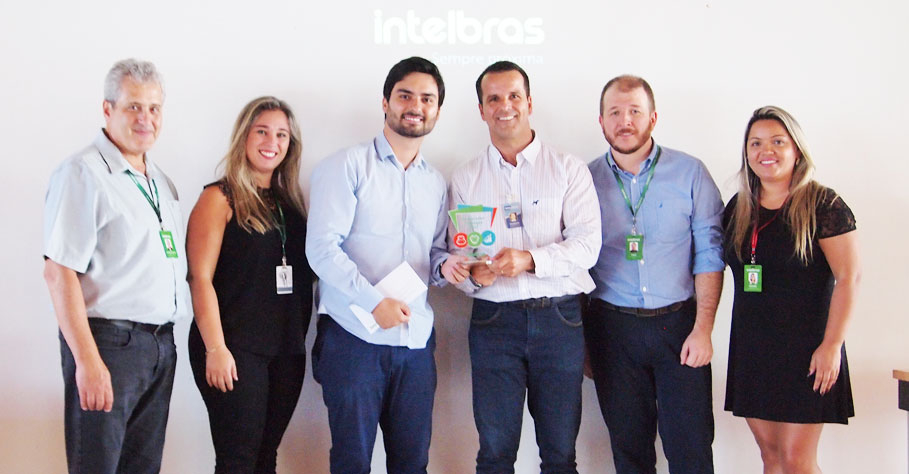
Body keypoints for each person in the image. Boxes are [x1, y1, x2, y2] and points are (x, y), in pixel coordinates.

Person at [305, 57, 466, 473]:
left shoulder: (435, 182)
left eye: (427, 99)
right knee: (352, 462)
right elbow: (321, 249)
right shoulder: (347, 165)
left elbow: (433, 253)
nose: (416, 106)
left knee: (412, 464)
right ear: (385, 102)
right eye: (405, 95)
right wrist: (373, 301)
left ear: (438, 110)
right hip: (353, 338)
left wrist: (446, 267)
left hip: (415, 343)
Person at [449, 61, 601, 473]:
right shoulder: (465, 177)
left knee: (560, 454)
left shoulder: (568, 168)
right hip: (494, 322)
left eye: (514, 96)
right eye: (493, 98)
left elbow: (588, 246)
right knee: (495, 454)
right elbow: (459, 257)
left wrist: (530, 260)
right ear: (481, 110)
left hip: (559, 320)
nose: (505, 106)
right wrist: (473, 276)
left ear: (530, 103)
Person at [42, 59, 189, 474]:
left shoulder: (159, 181)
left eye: (154, 108)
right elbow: (58, 272)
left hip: (159, 346)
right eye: (133, 107)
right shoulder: (83, 173)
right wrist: (88, 361)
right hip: (109, 346)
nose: (146, 118)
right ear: (107, 110)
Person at [585, 75, 724, 474]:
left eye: (635, 111)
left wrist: (704, 329)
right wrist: (585, 343)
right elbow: (576, 262)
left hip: (680, 327)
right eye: (614, 112)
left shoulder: (690, 172)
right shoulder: (583, 179)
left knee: (691, 448)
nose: (625, 121)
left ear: (653, 118)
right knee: (629, 451)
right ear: (601, 121)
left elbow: (710, 255)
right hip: (612, 330)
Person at [723, 106, 858, 472]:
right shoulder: (738, 208)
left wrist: (832, 346)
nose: (766, 151)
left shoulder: (823, 204)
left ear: (796, 149)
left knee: (797, 460)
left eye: (777, 142)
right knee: (771, 457)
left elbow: (849, 278)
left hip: (808, 351)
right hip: (753, 351)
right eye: (756, 143)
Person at [185, 97, 312, 473]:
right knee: (237, 459)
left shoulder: (290, 203)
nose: (272, 142)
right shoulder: (219, 198)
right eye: (262, 131)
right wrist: (215, 348)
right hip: (234, 349)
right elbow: (199, 278)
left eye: (282, 135)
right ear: (244, 136)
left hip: (286, 351)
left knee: (265, 458)